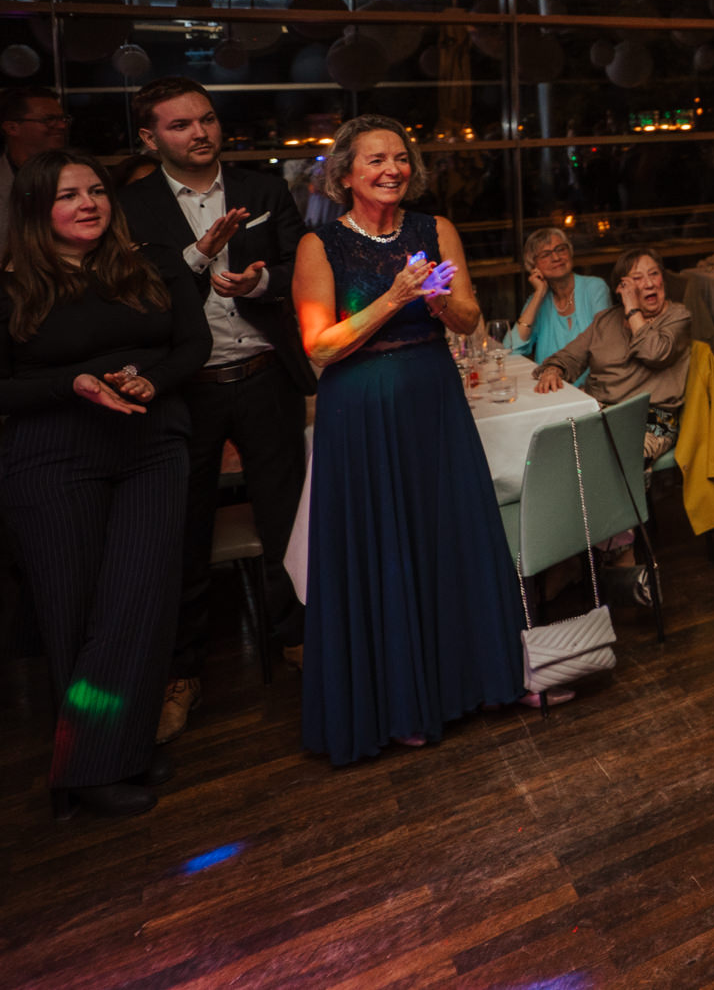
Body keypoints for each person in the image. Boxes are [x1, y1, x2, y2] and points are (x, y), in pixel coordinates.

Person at [292, 115, 543, 766]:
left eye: (400, 158)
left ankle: (478, 680)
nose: (392, 169)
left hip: (433, 397)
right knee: (383, 549)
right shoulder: (320, 245)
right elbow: (319, 346)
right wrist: (393, 296)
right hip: (361, 411)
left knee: (448, 533)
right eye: (376, 160)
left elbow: (470, 317)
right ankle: (396, 704)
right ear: (345, 174)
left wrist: (437, 301)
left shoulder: (436, 230)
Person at [1, 150, 209, 817]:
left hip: (151, 443)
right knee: (77, 610)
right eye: (68, 195)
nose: (88, 203)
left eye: (96, 190)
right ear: (37, 209)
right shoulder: (10, 286)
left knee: (140, 600)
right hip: (52, 454)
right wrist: (72, 382)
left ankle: (100, 756)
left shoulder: (151, 261)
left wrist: (156, 380)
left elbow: (192, 343)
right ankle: (99, 759)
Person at [119, 78, 314, 744]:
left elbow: (300, 267)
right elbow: (135, 297)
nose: (199, 132)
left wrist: (262, 280)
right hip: (186, 385)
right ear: (150, 137)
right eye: (180, 125)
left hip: (264, 373)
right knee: (184, 526)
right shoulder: (131, 206)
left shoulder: (261, 188)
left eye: (206, 119)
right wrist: (196, 260)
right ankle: (182, 670)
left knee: (286, 515)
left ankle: (299, 639)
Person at [533, 247, 694, 462]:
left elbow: (654, 352)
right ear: (621, 288)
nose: (649, 284)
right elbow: (568, 356)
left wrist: (633, 311)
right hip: (599, 415)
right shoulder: (605, 320)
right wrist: (554, 369)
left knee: (604, 460)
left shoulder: (677, 317)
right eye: (637, 278)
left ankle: (627, 492)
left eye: (654, 274)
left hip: (650, 422)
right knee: (550, 448)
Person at [507, 226, 611, 370]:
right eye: (545, 254)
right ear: (533, 266)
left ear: (570, 252)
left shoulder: (595, 287)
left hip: (591, 388)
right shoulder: (537, 300)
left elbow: (604, 344)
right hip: (549, 388)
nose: (556, 258)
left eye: (561, 249)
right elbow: (510, 350)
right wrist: (538, 295)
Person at [1, 85, 72, 252]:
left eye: (63, 119)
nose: (62, 126)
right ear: (12, 128)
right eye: (49, 120)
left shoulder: (77, 175)